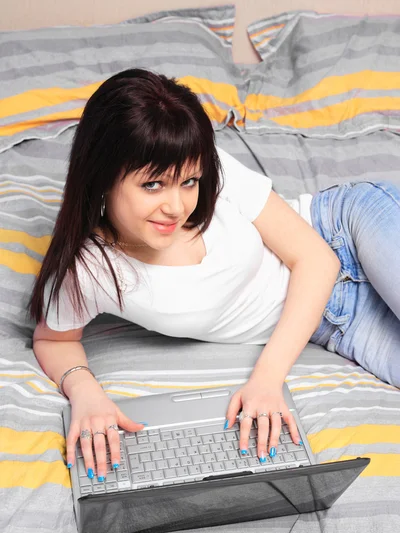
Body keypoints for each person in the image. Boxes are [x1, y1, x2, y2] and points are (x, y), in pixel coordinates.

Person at [29, 68, 400, 484]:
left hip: (343, 229)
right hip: (336, 323)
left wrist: (267, 378)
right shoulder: (90, 269)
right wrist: (85, 392)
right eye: (153, 185)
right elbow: (52, 339)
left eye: (189, 181)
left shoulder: (215, 170)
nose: (177, 206)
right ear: (102, 178)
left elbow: (317, 260)